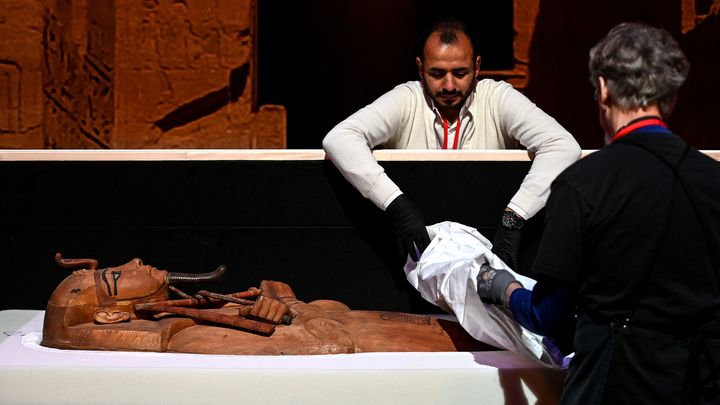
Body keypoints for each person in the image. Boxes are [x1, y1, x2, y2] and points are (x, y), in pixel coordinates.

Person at [477, 22, 720, 404]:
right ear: (670, 97)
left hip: (615, 386)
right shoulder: (712, 180)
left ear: (603, 89)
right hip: (702, 386)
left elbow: (548, 316)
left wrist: (503, 288)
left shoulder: (582, 185)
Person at [322, 18, 581, 267]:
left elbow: (561, 145)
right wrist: (396, 205)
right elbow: (340, 138)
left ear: (477, 67)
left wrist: (515, 217)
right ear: (420, 68)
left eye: (460, 73)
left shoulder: (497, 97)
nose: (448, 85)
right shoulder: (407, 98)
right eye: (436, 73)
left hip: (489, 258)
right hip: (413, 263)